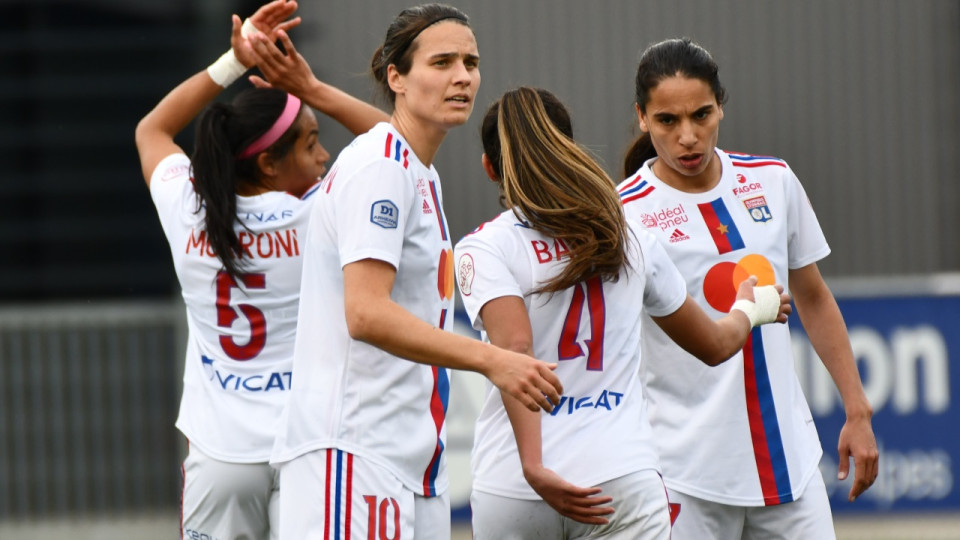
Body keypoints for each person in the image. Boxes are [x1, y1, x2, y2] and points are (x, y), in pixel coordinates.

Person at [264, 6, 564, 539]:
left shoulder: (411, 167)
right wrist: (493, 360)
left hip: (409, 459)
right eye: (442, 61)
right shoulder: (380, 167)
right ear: (396, 77)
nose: (463, 76)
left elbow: (390, 134)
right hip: (353, 454)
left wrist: (312, 88)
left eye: (471, 62)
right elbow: (365, 312)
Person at [455, 86, 792, 539]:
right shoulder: (628, 234)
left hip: (513, 486)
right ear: (569, 150)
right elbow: (714, 346)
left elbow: (516, 351)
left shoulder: (484, 246)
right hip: (618, 477)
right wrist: (752, 309)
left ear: (490, 168)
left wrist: (534, 466)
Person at [134, 2, 386, 538]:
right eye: (312, 142)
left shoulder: (189, 208)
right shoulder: (319, 211)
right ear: (269, 162)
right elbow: (399, 146)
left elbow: (153, 130)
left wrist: (232, 61)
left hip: (220, 455)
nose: (324, 157)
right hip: (307, 449)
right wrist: (310, 87)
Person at [618, 37, 879, 539]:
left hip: (791, 467)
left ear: (721, 106)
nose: (688, 136)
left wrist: (857, 408)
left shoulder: (774, 180)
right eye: (668, 121)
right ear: (643, 118)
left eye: (702, 114)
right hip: (682, 475)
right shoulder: (623, 212)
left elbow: (814, 296)